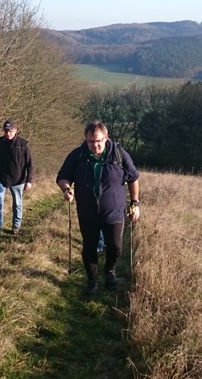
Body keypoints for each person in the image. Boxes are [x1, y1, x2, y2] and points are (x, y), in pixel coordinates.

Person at [56, 121, 140, 294]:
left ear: (106, 138)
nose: (95, 145)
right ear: (86, 139)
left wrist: (134, 203)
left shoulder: (118, 154)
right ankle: (92, 280)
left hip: (114, 212)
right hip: (87, 212)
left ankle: (109, 270)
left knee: (115, 247)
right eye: (91, 141)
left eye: (98, 141)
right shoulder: (78, 155)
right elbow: (63, 176)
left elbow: (133, 178)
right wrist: (66, 189)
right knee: (89, 248)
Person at [0, 119, 34, 236]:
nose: (8, 133)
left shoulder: (23, 144)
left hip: (18, 179)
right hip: (1, 178)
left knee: (17, 203)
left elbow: (30, 164)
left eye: (10, 131)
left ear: (16, 130)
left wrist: (29, 180)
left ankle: (16, 225)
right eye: (6, 131)